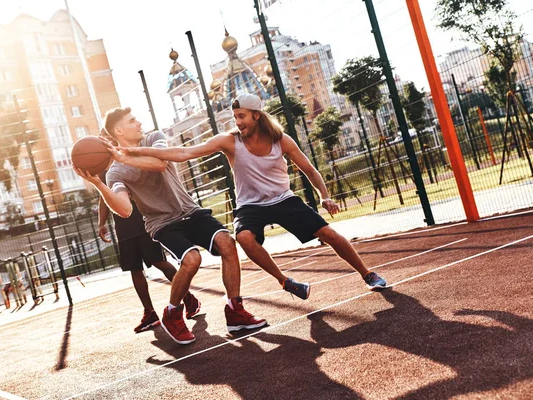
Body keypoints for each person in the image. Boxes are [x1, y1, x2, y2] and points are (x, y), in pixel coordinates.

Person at [118, 93, 387, 297]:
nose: (238, 122)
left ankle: (367, 273)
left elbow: (309, 170)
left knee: (328, 234)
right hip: (250, 206)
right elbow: (184, 153)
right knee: (243, 237)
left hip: (283, 199)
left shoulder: (281, 141)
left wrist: (324, 196)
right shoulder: (229, 141)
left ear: (257, 116)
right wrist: (136, 152)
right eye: (235, 118)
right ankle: (285, 281)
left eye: (242, 117)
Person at [75, 107, 266, 345]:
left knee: (227, 243)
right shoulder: (116, 172)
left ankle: (235, 311)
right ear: (119, 130)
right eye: (132, 121)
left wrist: (124, 155)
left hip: (190, 210)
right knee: (192, 259)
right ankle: (173, 313)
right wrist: (98, 185)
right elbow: (124, 209)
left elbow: (160, 163)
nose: (139, 123)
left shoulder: (154, 138)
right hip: (163, 222)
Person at [97, 170, 201, 334]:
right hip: (124, 229)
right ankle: (150, 313)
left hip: (144, 221)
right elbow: (103, 197)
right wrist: (101, 223)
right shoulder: (102, 170)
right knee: (135, 269)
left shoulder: (124, 162)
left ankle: (188, 298)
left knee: (160, 262)